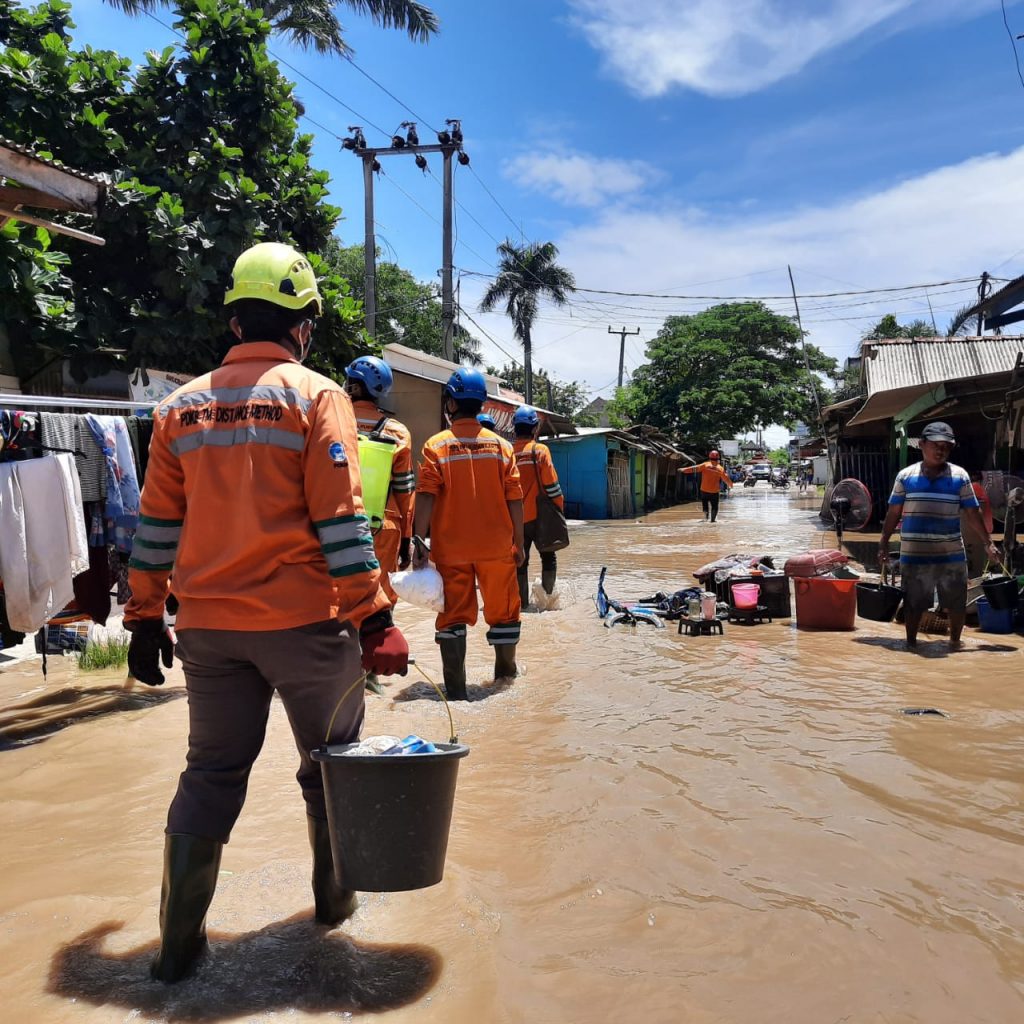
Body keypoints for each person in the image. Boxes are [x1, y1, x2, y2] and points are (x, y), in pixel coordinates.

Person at [124, 242, 409, 983]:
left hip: (210, 632)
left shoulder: (177, 408)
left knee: (210, 773)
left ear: (232, 319)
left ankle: (177, 951)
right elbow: (342, 523)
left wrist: (145, 617)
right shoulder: (316, 397)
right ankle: (333, 918)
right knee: (332, 770)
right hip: (307, 626)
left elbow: (155, 525)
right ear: (304, 324)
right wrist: (376, 619)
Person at [412, 368, 524, 697]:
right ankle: (505, 681)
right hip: (497, 547)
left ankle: (457, 694)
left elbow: (426, 495)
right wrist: (518, 543)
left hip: (451, 549)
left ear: (450, 403)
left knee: (452, 618)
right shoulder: (502, 448)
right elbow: (514, 498)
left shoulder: (437, 446)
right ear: (481, 405)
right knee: (504, 615)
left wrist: (419, 541)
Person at [878, 421, 999, 651]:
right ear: (922, 445)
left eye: (946, 446)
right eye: (935, 444)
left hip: (951, 555)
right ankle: (911, 646)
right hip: (914, 555)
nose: (941, 450)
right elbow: (893, 512)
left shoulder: (960, 476)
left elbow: (973, 513)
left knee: (956, 605)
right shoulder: (905, 476)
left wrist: (988, 543)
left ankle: (955, 644)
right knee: (913, 604)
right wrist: (883, 543)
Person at [345, 356, 415, 693]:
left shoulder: (329, 418)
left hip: (334, 523)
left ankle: (340, 674)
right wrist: (408, 538)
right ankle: (371, 673)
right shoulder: (397, 432)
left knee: (335, 596)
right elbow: (405, 489)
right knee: (379, 597)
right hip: (383, 525)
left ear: (350, 384)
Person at [511, 405, 564, 608]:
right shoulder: (540, 451)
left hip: (516, 519)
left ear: (515, 428)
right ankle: (548, 602)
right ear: (535, 429)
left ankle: (521, 604)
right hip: (541, 517)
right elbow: (552, 485)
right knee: (549, 557)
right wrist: (559, 510)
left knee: (519, 562)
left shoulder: (508, 452)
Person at [680, 450, 733, 521]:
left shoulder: (705, 465)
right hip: (714, 491)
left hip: (704, 490)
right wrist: (731, 485)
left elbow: (694, 468)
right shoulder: (720, 468)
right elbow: (726, 478)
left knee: (705, 506)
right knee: (714, 507)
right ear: (718, 458)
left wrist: (683, 470)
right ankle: (713, 520)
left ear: (709, 457)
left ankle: (705, 518)